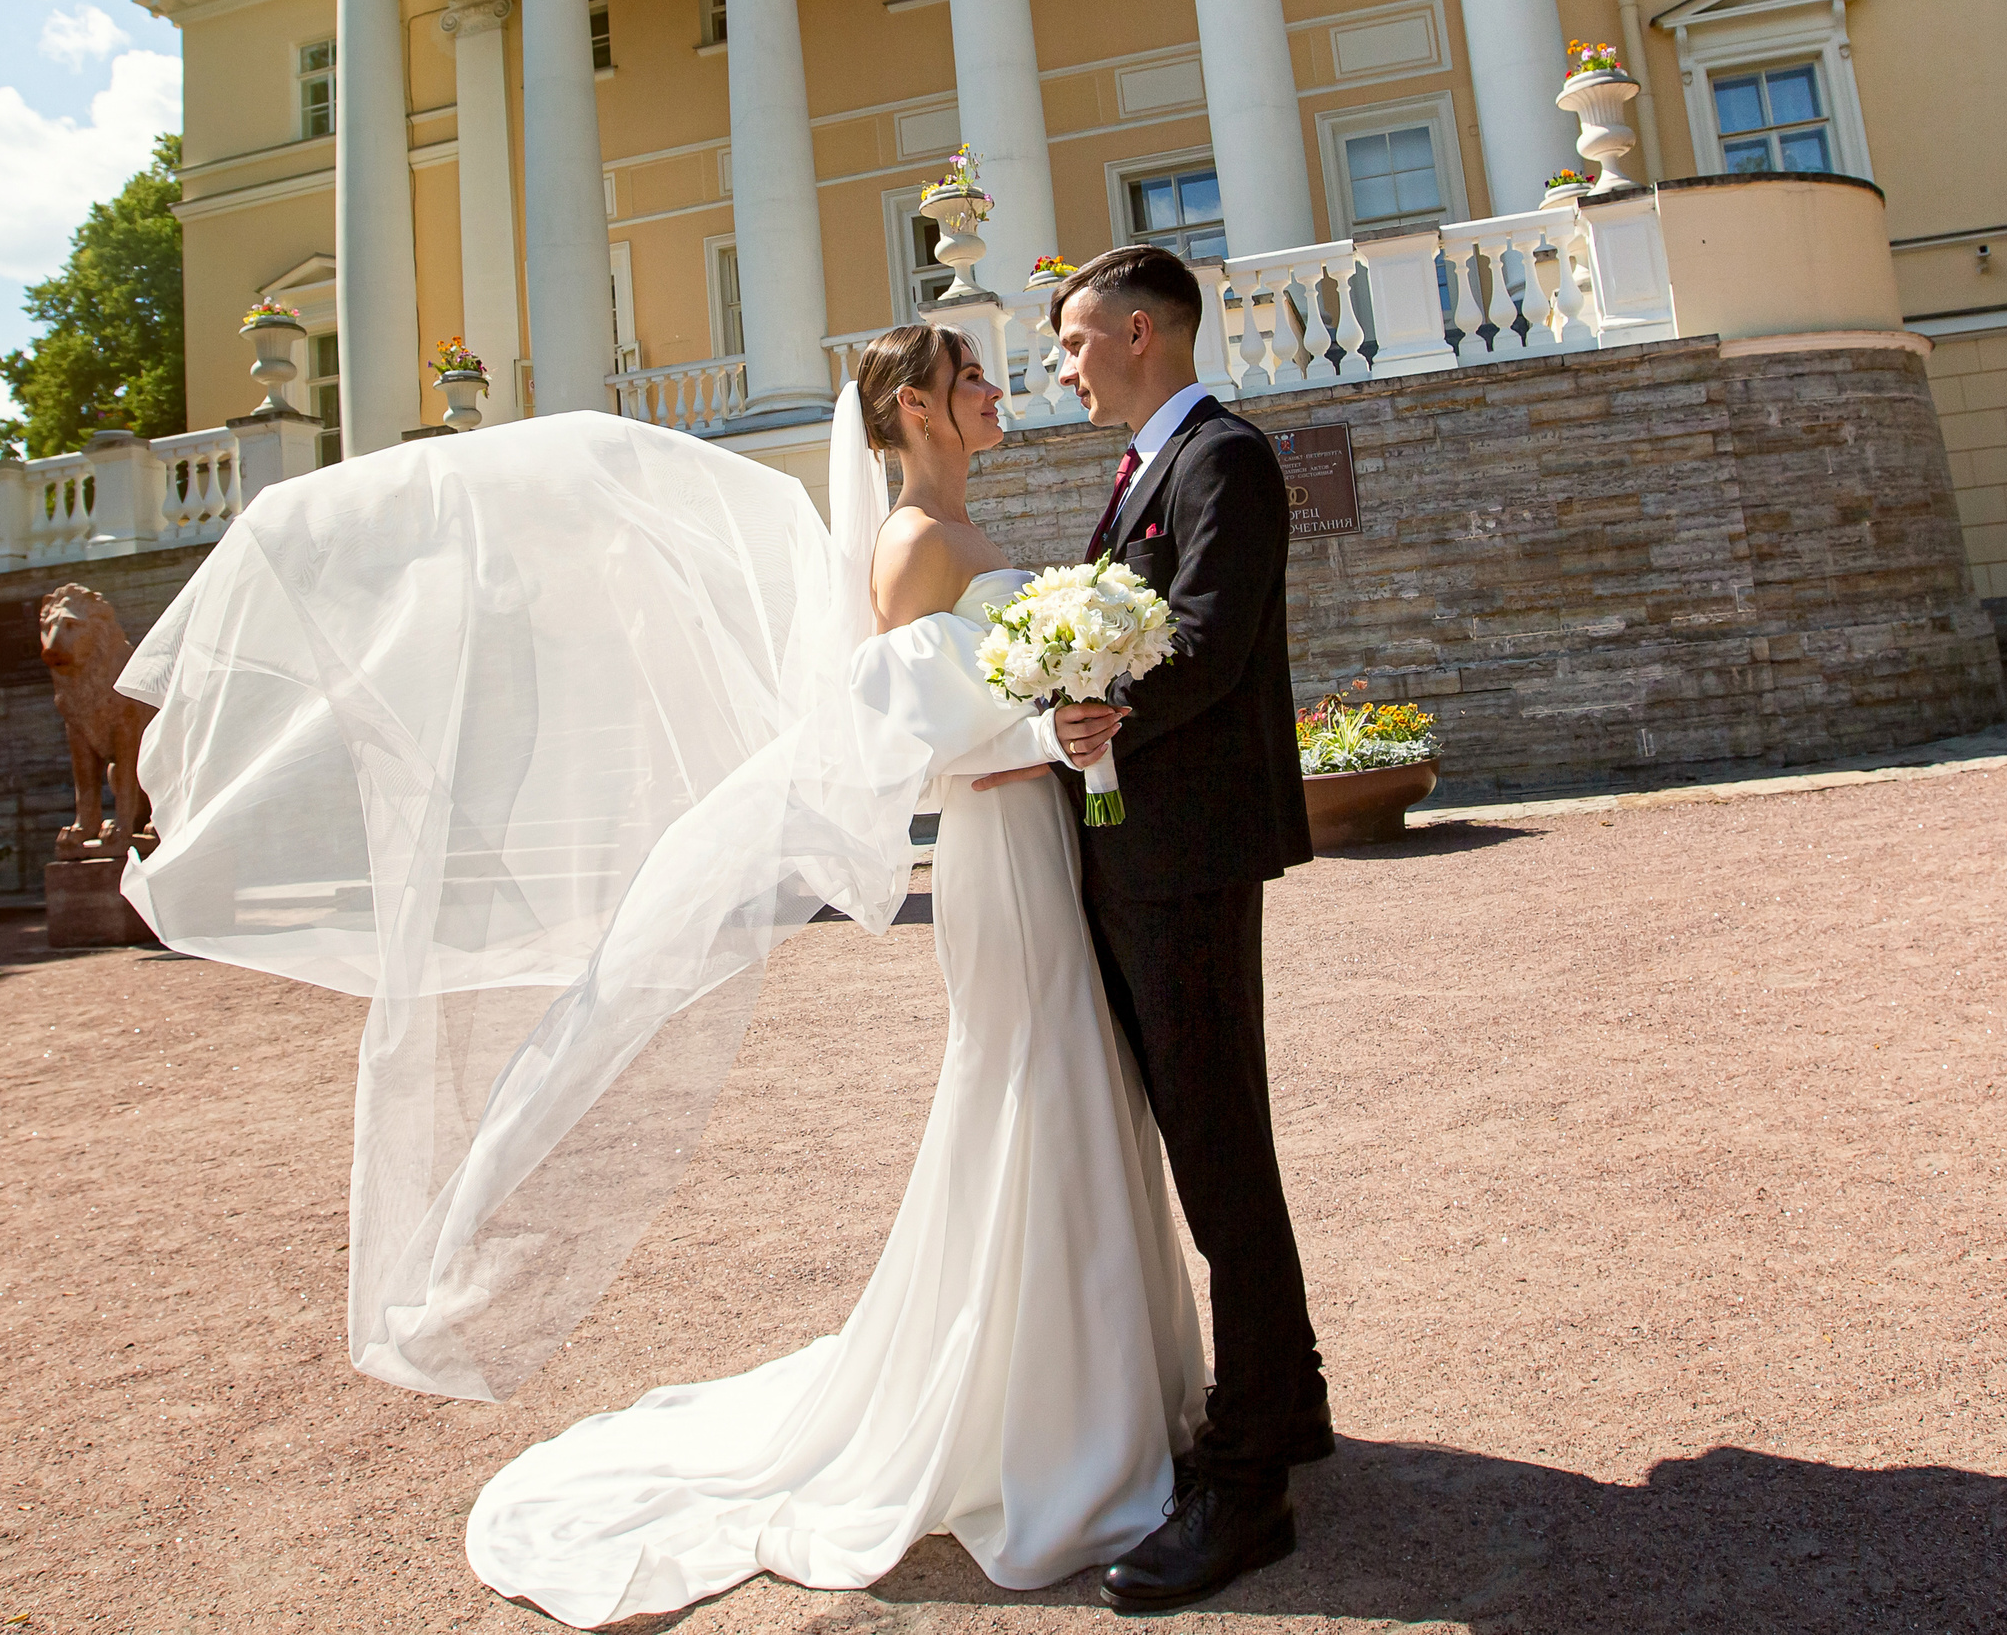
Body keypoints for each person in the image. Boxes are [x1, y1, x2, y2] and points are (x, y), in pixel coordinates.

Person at [119, 328, 1208, 1628]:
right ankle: (1048, 1431)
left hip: (1041, 850)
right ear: (915, 406)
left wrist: (1060, 721)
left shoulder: (961, 536)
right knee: (1034, 1092)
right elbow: (903, 754)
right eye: (969, 377)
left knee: (1070, 1088)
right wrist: (1046, 728)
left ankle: (1097, 1397)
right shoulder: (916, 547)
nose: (995, 391)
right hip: (1000, 859)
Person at [1032, 242, 1329, 1611]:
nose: (1066, 364)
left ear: (1145, 331)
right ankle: (1297, 1397)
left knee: (1220, 1154)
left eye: (1080, 341)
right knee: (1210, 1138)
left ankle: (1247, 1478)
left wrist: (1105, 712)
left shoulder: (1225, 460)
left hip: (1193, 862)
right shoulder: (1153, 465)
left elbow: (1209, 634)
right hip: (1145, 855)